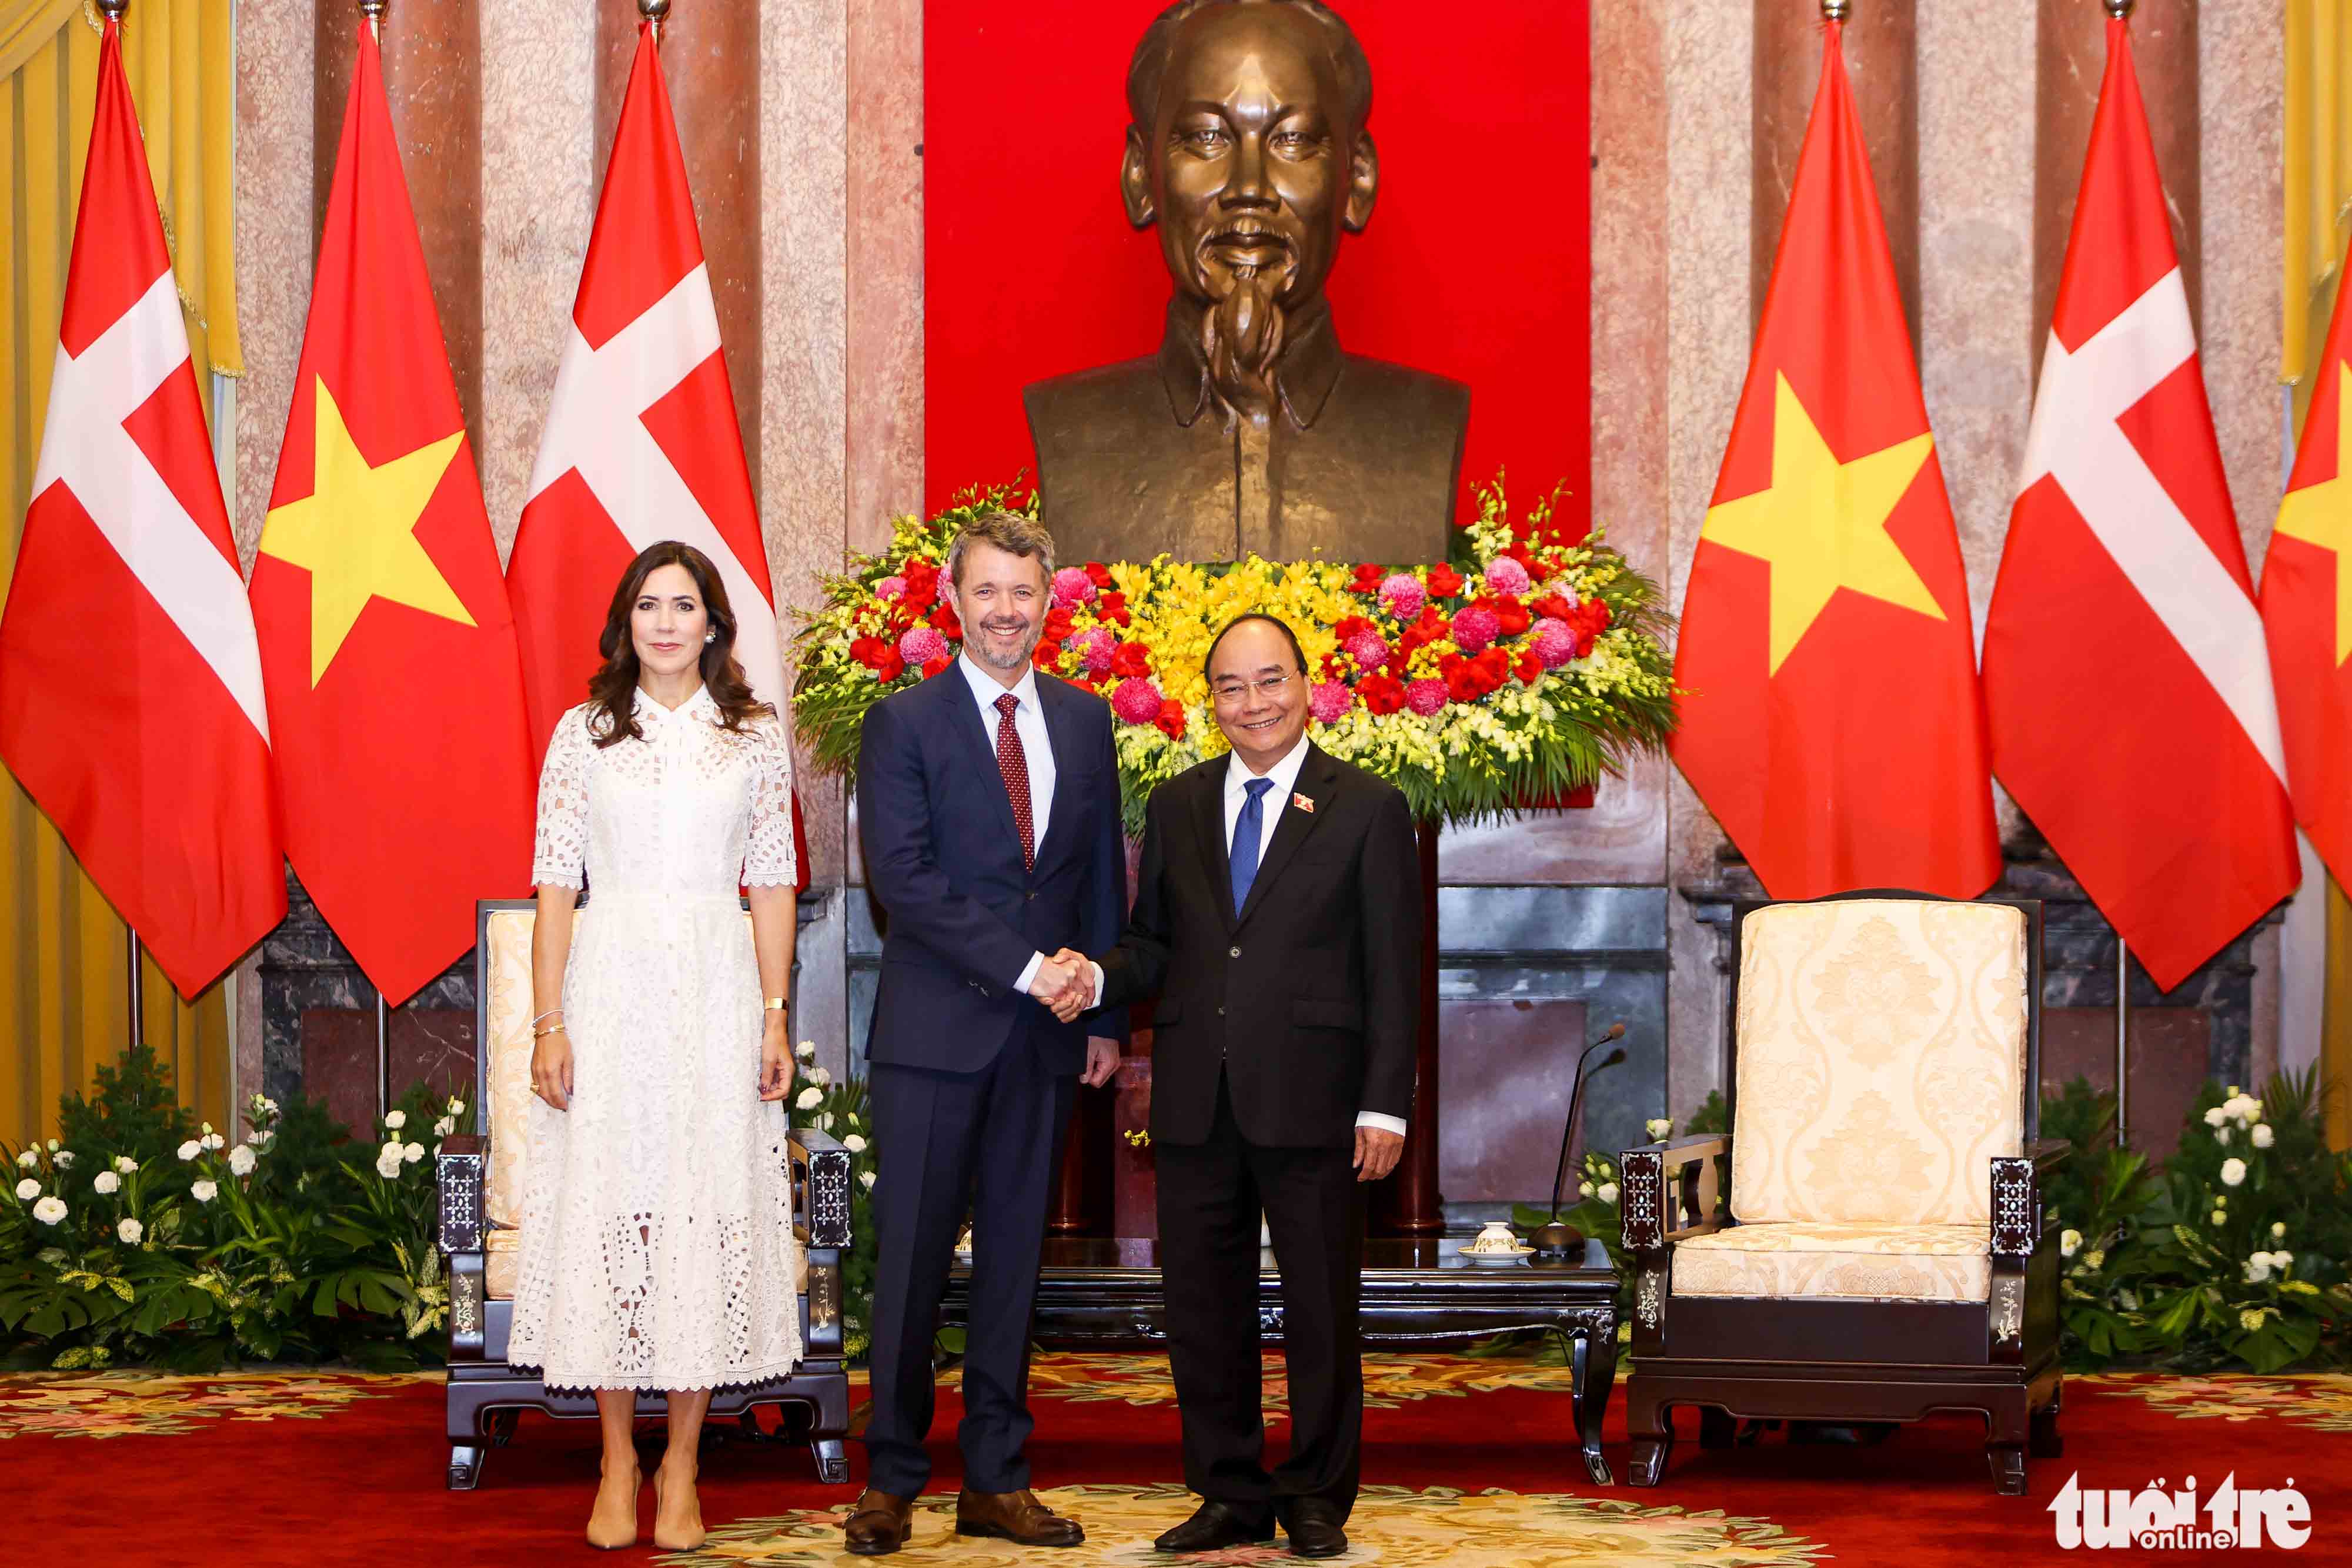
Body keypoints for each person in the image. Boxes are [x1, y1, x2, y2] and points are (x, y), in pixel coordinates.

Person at [1045, 611, 1420, 1559]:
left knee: (1323, 1307)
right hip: (1196, 1097)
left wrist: (1385, 1102)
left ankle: (1318, 1495)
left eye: (1270, 680)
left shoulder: (1368, 806)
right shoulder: (1175, 805)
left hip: (1319, 1100)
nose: (1252, 702)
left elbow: (1394, 968)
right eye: (1231, 686)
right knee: (1202, 1309)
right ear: (1208, 701)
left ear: (1308, 683)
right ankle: (1227, 1491)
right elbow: (1155, 943)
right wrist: (1094, 977)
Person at [847, 511, 1130, 1557]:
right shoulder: (903, 724)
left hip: (1048, 1042)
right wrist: (1027, 969)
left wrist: (1099, 1011)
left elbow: (1099, 874)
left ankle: (998, 1480)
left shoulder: (1087, 717)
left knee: (1017, 1266)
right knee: (914, 1263)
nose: (1006, 610)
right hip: (934, 1036)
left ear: (1048, 604)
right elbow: (904, 880)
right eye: (988, 592)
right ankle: (890, 1479)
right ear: (953, 601)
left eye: (1025, 593)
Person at [513, 541, 803, 1553]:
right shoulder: (583, 732)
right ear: (625, 622)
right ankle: (615, 1455)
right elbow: (556, 885)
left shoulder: (754, 738)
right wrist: (549, 1023)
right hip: (615, 987)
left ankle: (681, 1459)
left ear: (715, 624)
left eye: (686, 605)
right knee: (613, 1216)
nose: (668, 622)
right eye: (650, 605)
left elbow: (772, 883)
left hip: (719, 994)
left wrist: (775, 1014)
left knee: (704, 1210)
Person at [1023, 0, 1469, 567]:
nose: (1249, 187)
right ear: (1141, 174)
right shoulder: (1073, 432)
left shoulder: (1426, 427)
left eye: (1293, 140)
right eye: (1208, 138)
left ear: (1357, 179)